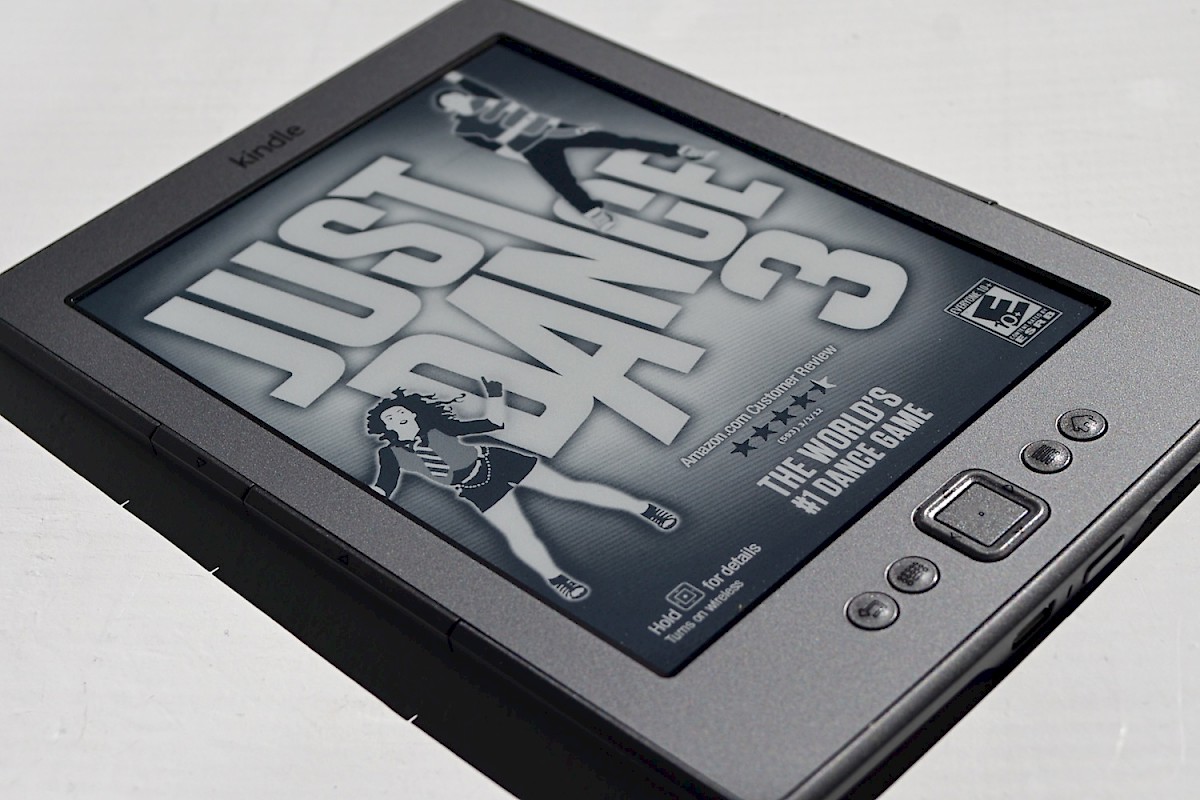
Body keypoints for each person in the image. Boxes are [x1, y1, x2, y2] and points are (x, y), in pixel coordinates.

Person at [367, 378, 680, 602]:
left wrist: (495, 395)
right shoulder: (390, 453)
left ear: (412, 413)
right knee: (518, 533)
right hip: (475, 487)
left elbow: (492, 424)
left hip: (495, 461)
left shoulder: (438, 426)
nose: (398, 417)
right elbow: (385, 483)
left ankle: (645, 509)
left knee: (571, 489)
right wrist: (371, 501)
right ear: (386, 426)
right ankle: (557, 578)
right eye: (390, 417)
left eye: (401, 412)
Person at [433, 70, 715, 231]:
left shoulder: (486, 100)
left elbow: (475, 86)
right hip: (532, 147)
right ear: (448, 109)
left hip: (554, 129)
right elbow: (493, 146)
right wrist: (524, 158)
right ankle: (594, 214)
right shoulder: (464, 128)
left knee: (618, 140)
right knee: (562, 182)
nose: (456, 100)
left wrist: (455, 77)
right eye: (450, 102)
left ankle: (681, 150)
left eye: (456, 96)